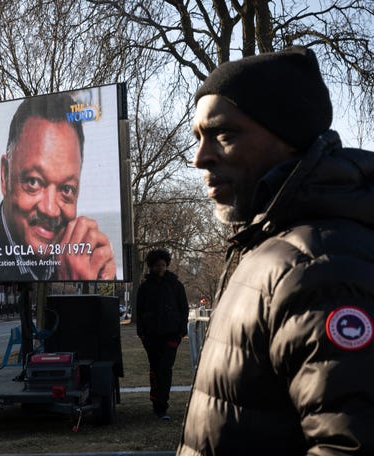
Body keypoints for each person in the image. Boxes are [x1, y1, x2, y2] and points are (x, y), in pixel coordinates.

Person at [177, 46, 374, 455]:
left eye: (223, 135)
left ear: (288, 137)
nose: (200, 158)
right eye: (198, 138)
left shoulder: (322, 265)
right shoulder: (267, 249)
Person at [0, 92, 116, 281]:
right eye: (33, 182)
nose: (51, 210)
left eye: (66, 189)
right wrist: (72, 288)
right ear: (5, 176)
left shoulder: (80, 261)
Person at [136, 249, 189, 420]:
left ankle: (162, 406)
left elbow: (184, 309)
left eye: (163, 265)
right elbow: (139, 311)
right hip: (151, 337)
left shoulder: (175, 285)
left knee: (165, 370)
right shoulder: (145, 287)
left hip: (171, 335)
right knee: (155, 370)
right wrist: (142, 334)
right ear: (151, 266)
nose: (161, 268)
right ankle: (156, 403)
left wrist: (180, 332)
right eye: (157, 265)